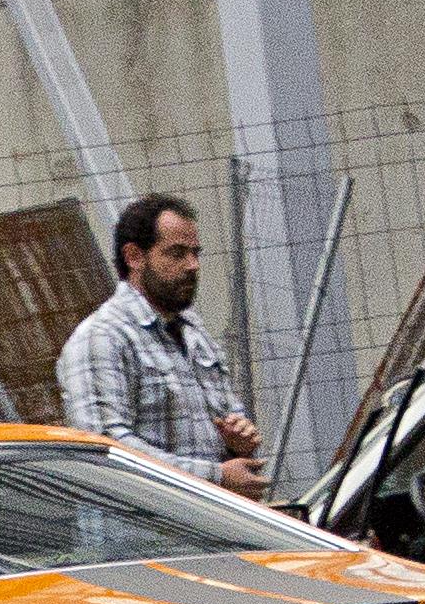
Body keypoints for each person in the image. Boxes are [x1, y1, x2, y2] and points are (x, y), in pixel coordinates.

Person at [56, 193, 269, 497]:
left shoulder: (193, 331)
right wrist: (216, 477)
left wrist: (239, 441)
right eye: (177, 253)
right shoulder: (103, 337)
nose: (192, 265)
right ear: (134, 257)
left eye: (195, 253)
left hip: (206, 516)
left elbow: (230, 417)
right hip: (144, 524)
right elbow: (104, 448)